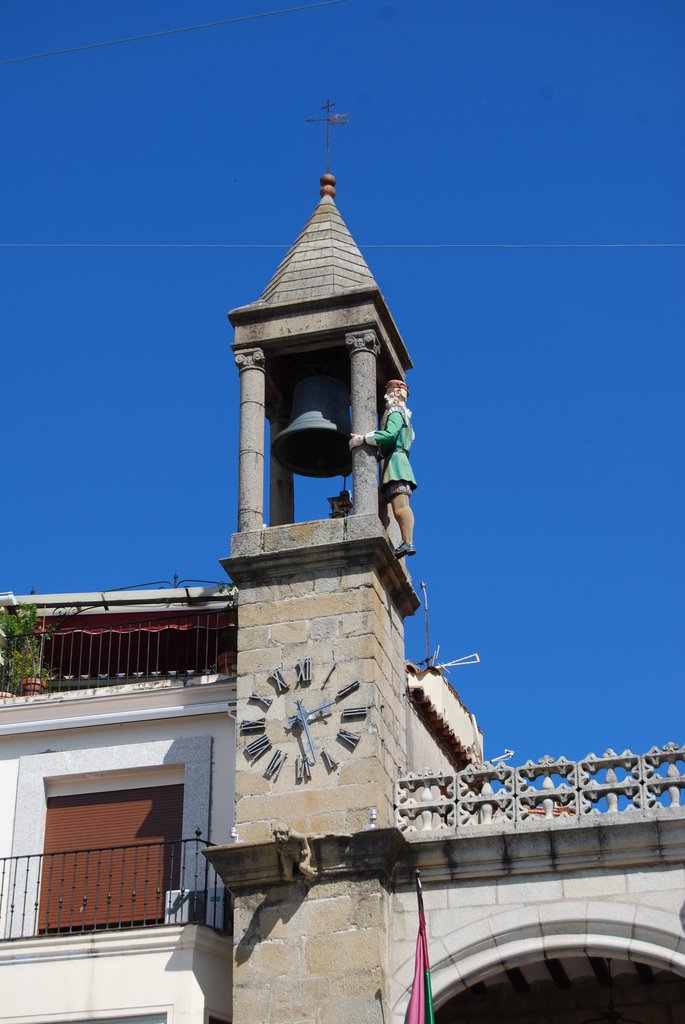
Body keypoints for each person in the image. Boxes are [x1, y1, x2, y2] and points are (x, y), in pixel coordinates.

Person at [349, 379, 417, 558]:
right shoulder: (405, 416)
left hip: (396, 464)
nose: (386, 396)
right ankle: (406, 541)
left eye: (389, 392)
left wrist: (365, 438)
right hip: (394, 462)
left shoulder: (395, 412)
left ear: (396, 394)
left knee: (400, 506)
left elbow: (391, 434)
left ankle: (408, 542)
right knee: (392, 503)